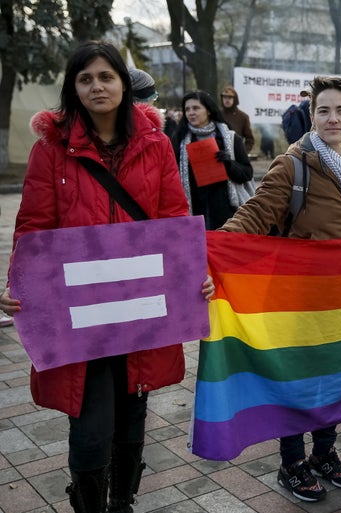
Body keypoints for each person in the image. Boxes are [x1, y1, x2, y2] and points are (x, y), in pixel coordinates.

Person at [0, 41, 215, 513]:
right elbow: (33, 227)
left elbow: (174, 222)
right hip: (80, 310)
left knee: (133, 410)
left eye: (106, 77)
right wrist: (21, 283)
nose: (97, 86)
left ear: (123, 83)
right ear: (72, 88)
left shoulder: (156, 145)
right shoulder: (50, 150)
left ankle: (123, 502)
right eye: (85, 79)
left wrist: (193, 276)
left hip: (142, 304)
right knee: (91, 420)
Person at [219, 76, 341, 502]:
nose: (333, 118)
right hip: (302, 302)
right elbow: (254, 215)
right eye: (324, 111)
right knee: (299, 384)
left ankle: (324, 454)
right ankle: (291, 464)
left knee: (336, 381)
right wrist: (214, 250)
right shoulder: (293, 165)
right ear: (312, 116)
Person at [172, 90, 254, 230]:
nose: (191, 112)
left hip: (228, 216)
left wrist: (229, 164)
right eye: (187, 109)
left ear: (208, 111)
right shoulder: (179, 141)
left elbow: (247, 174)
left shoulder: (231, 139)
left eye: (196, 108)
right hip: (195, 217)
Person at [220, 85, 255, 153]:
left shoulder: (243, 117)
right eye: (224, 97)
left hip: (236, 153)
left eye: (230, 97)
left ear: (234, 99)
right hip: (220, 153)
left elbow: (250, 139)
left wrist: (243, 152)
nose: (227, 100)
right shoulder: (217, 115)